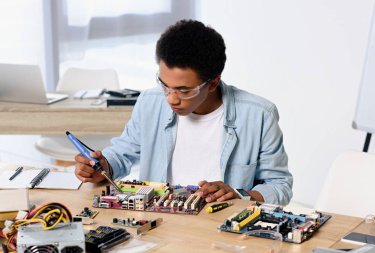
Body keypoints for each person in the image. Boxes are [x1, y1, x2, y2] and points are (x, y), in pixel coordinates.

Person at [74, 19, 293, 205]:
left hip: (222, 226)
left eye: (184, 90)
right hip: (160, 221)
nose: (170, 98)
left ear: (213, 82)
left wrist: (239, 195)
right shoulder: (150, 102)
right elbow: (121, 154)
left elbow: (279, 186)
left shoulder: (259, 114)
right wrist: (101, 167)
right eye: (164, 85)